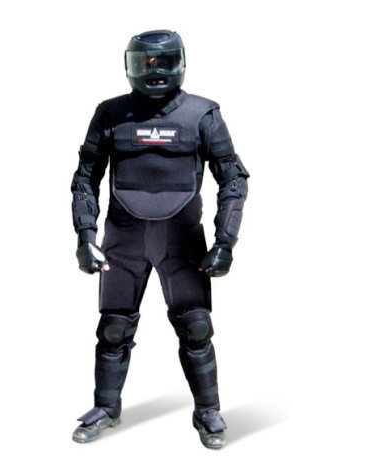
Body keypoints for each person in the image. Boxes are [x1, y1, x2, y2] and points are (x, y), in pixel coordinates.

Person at [70, 30, 249, 449]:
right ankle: (106, 407)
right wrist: (85, 234)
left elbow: (233, 179)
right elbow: (85, 178)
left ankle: (207, 411)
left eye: (164, 62)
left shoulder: (203, 115)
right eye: (145, 63)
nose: (155, 72)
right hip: (123, 239)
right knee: (113, 329)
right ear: (129, 65)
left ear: (180, 63)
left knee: (196, 327)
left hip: (182, 239)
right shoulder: (110, 114)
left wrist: (225, 242)